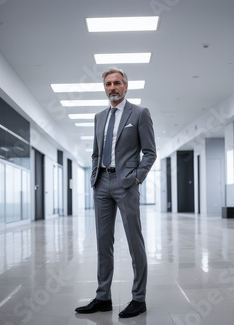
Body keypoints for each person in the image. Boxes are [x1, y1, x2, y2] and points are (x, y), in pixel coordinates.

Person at [75, 67, 156, 318]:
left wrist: (136, 179)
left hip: (126, 185)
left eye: (117, 83)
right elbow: (96, 152)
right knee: (103, 242)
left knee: (134, 242)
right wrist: (94, 177)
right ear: (104, 88)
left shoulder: (140, 113)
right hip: (102, 184)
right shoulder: (99, 117)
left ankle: (139, 298)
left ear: (126, 86)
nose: (113, 87)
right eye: (108, 84)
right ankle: (103, 297)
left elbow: (150, 152)